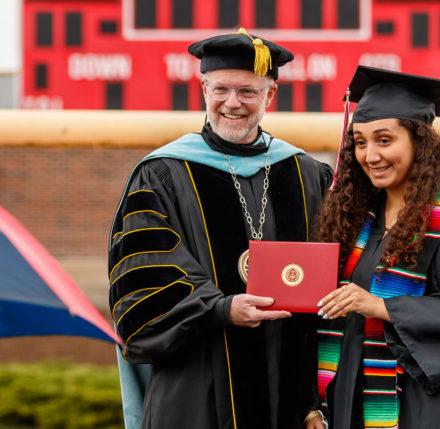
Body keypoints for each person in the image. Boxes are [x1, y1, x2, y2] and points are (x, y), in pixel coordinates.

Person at [108, 28, 332, 429]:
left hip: (292, 388)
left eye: (248, 92)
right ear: (203, 90)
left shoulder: (306, 174)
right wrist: (221, 307)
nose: (233, 103)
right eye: (221, 89)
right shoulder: (162, 174)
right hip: (197, 386)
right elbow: (143, 278)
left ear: (270, 96)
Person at [313, 66, 440, 429]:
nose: (370, 155)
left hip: (432, 410)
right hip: (355, 406)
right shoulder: (356, 222)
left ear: (419, 142)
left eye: (384, 140)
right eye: (360, 142)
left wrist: (382, 306)